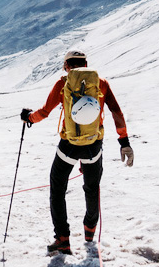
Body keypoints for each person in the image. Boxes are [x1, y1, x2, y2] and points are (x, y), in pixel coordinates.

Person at [20, 50, 134, 255]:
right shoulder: (101, 83)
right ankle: (90, 233)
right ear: (86, 64)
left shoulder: (63, 83)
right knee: (92, 188)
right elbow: (116, 112)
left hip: (68, 146)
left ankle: (62, 240)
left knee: (57, 189)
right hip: (93, 146)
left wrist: (29, 118)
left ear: (66, 66)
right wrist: (124, 141)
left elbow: (45, 112)